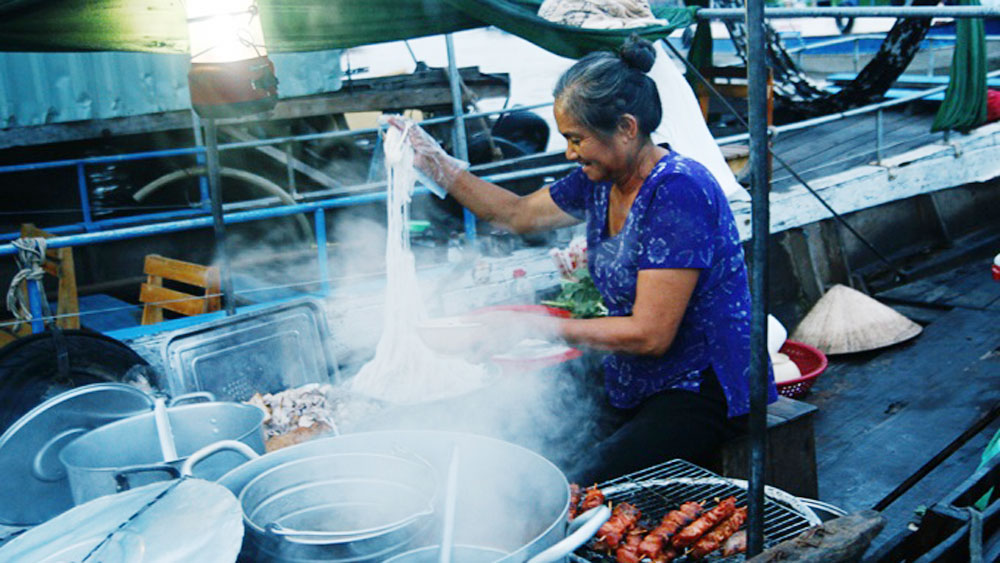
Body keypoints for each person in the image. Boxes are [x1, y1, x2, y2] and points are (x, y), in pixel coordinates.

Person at [389, 34, 777, 483]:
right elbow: (514, 214)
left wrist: (533, 326)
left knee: (576, 479)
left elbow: (651, 334)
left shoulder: (679, 190)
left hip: (705, 386)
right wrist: (435, 162)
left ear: (628, 128)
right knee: (515, 426)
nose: (570, 153)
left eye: (578, 139)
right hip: (636, 372)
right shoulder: (599, 179)